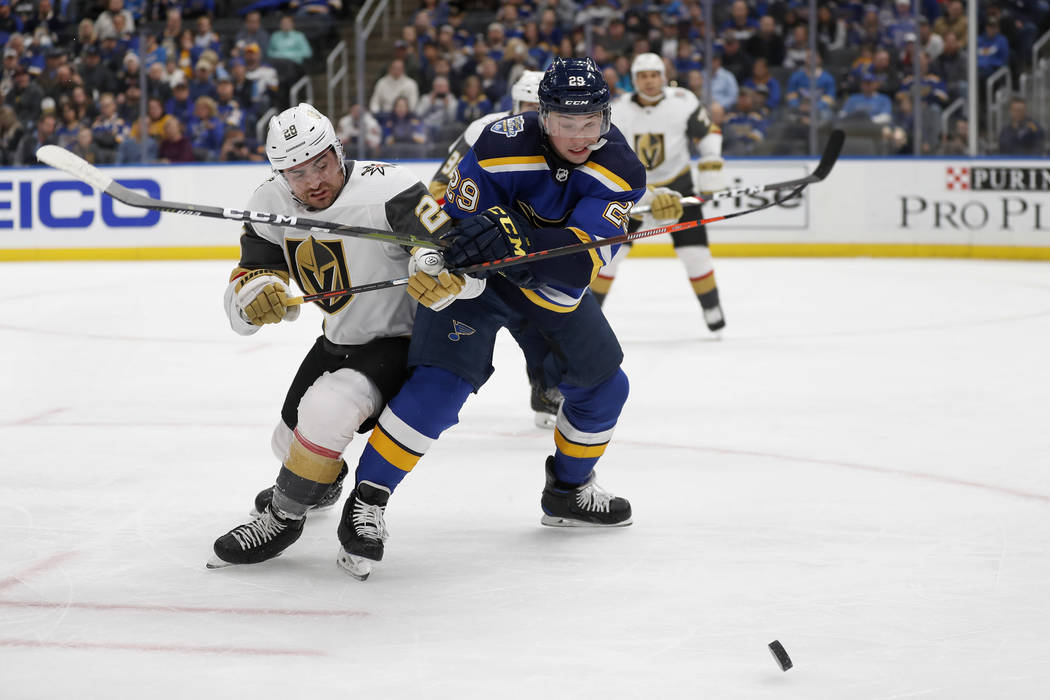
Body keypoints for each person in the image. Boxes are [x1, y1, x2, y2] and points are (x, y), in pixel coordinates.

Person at [337, 57, 646, 581]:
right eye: (566, 123)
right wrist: (442, 260)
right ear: (542, 116)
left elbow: (574, 266)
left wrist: (516, 237)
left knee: (606, 387)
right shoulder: (498, 142)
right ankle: (368, 497)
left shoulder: (622, 169)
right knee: (438, 386)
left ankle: (568, 492)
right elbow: (451, 229)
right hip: (477, 287)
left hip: (550, 292)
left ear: (607, 118)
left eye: (590, 123)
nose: (578, 135)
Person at [208, 103, 472, 569]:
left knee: (327, 408)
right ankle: (321, 481)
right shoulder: (268, 202)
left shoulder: (391, 188)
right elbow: (253, 274)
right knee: (287, 441)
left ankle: (283, 516)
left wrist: (438, 271)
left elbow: (451, 253)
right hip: (338, 339)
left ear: (338, 149)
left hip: (399, 340)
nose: (313, 181)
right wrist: (258, 293)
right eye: (296, 173)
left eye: (321, 164)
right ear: (279, 175)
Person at [427, 69, 565, 429]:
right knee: (459, 330)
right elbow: (443, 181)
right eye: (526, 104)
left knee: (538, 326)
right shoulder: (483, 131)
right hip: (479, 243)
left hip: (526, 248)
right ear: (514, 103)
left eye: (539, 105)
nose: (532, 112)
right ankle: (425, 398)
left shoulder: (563, 135)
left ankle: (546, 390)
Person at [595, 53, 727, 333]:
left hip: (679, 187)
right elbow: (604, 152)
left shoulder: (683, 101)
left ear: (663, 77)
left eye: (654, 75)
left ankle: (711, 306)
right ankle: (590, 316)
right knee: (610, 255)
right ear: (634, 80)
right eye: (643, 76)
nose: (650, 81)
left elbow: (708, 132)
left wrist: (711, 161)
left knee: (696, 253)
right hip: (633, 193)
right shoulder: (617, 110)